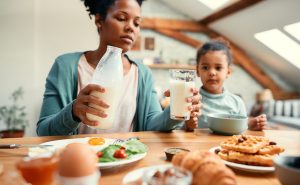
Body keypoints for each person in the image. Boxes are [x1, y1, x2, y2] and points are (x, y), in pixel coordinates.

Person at [36, 0, 201, 136]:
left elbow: (152, 124)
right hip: (79, 165)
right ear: (99, 20)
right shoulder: (66, 66)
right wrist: (72, 112)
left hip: (125, 160)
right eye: (122, 18)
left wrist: (177, 109)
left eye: (137, 23)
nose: (131, 27)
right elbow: (43, 131)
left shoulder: (142, 74)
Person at [185, 39, 266, 131]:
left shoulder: (237, 102)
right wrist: (188, 126)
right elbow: (178, 130)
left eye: (218, 68)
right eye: (205, 67)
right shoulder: (190, 100)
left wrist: (251, 125)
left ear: (228, 72)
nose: (212, 72)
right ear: (198, 71)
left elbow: (242, 131)